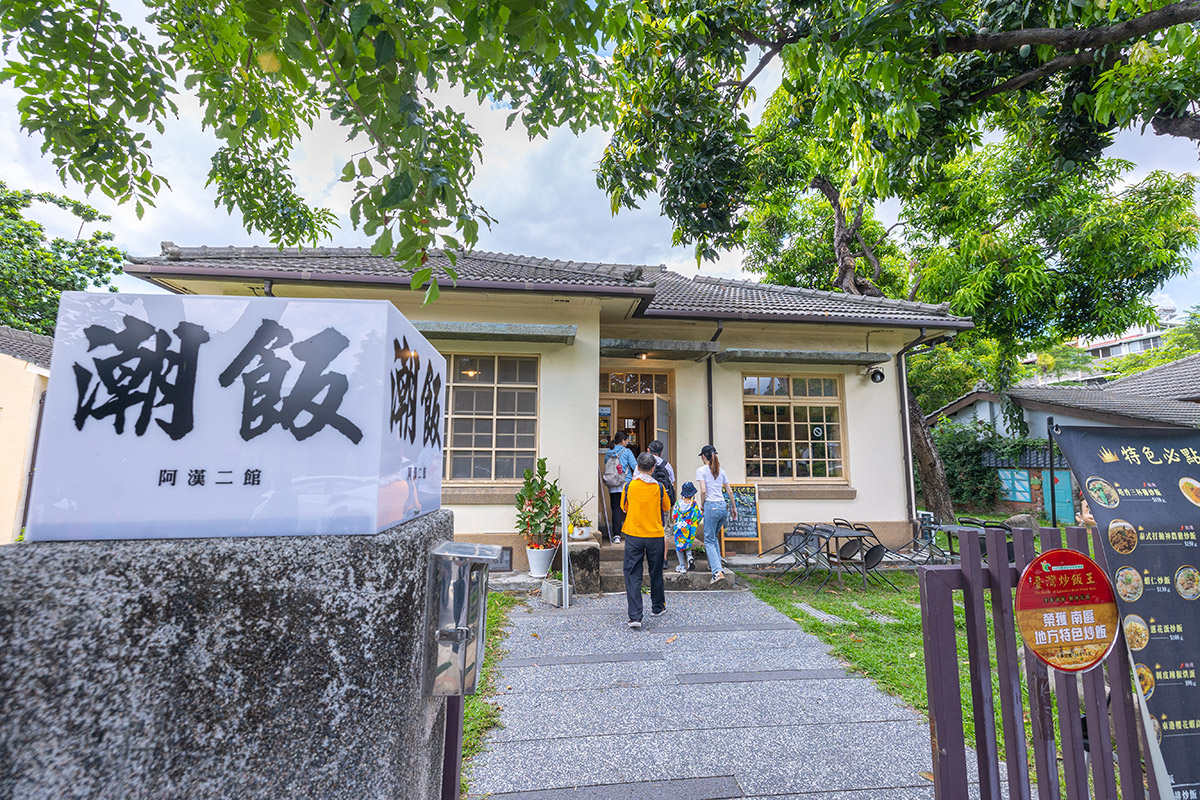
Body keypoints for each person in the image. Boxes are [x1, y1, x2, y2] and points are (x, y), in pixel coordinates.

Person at [620, 451, 671, 629]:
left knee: (633, 573)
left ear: (638, 467)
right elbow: (666, 506)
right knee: (656, 571)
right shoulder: (659, 488)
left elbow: (624, 508)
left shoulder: (628, 486)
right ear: (653, 468)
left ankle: (635, 616)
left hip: (634, 534)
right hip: (655, 535)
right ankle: (657, 607)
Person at [696, 444, 736, 584]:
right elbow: (729, 492)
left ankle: (717, 572)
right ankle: (715, 565)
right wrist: (734, 508)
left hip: (711, 506)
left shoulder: (701, 470)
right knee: (713, 538)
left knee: (708, 540)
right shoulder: (721, 471)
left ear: (703, 456)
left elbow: (703, 491)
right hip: (722, 507)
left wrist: (702, 505)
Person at [603, 431, 637, 543]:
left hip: (612, 484)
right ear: (623, 441)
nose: (627, 442)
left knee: (616, 509)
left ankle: (616, 535)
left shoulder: (609, 453)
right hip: (625, 483)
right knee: (630, 507)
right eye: (627, 440)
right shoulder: (627, 452)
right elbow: (634, 466)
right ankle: (631, 532)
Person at [670, 481, 701, 573]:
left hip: (679, 529)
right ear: (692, 494)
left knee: (679, 547)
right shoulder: (694, 504)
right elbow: (697, 517)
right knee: (687, 545)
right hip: (689, 528)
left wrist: (676, 524)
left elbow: (674, 516)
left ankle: (682, 566)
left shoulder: (678, 504)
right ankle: (689, 557)